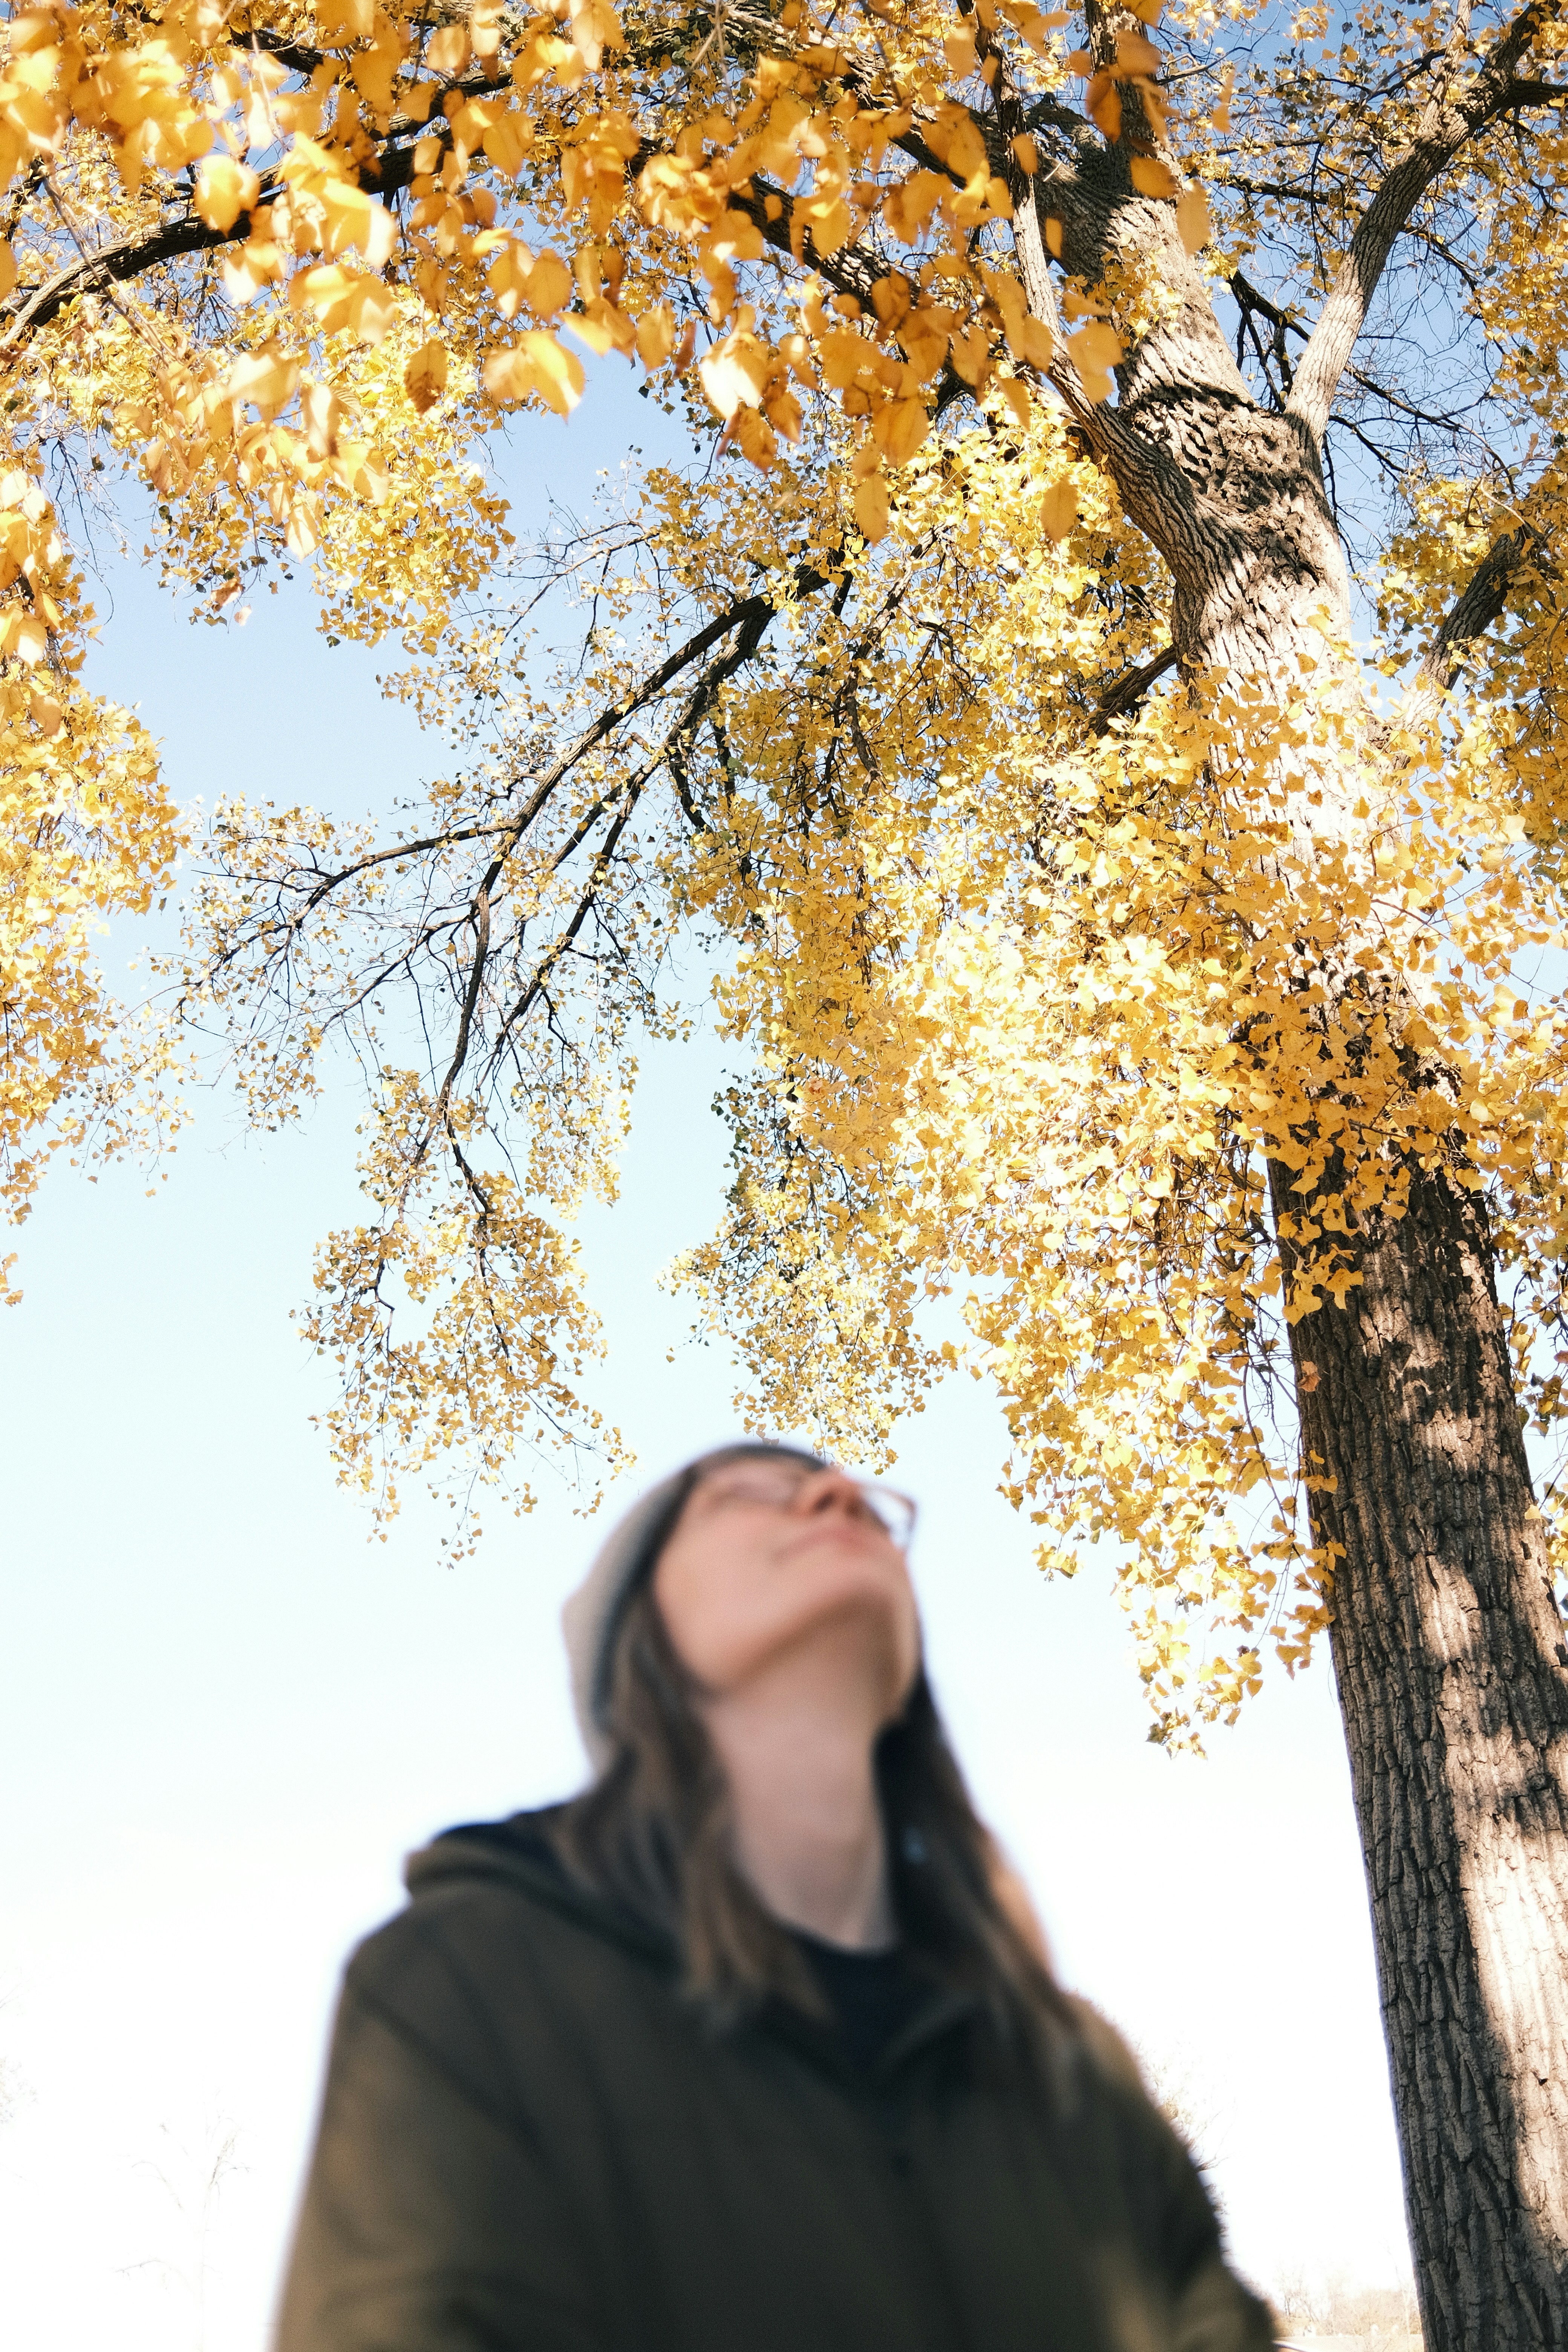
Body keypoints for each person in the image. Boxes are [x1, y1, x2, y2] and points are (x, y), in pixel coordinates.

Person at [275, 1442, 1274, 2352]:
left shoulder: (1069, 2068)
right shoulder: (468, 1988)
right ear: (640, 1641)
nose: (839, 1494)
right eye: (748, 1497)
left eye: (865, 1508)